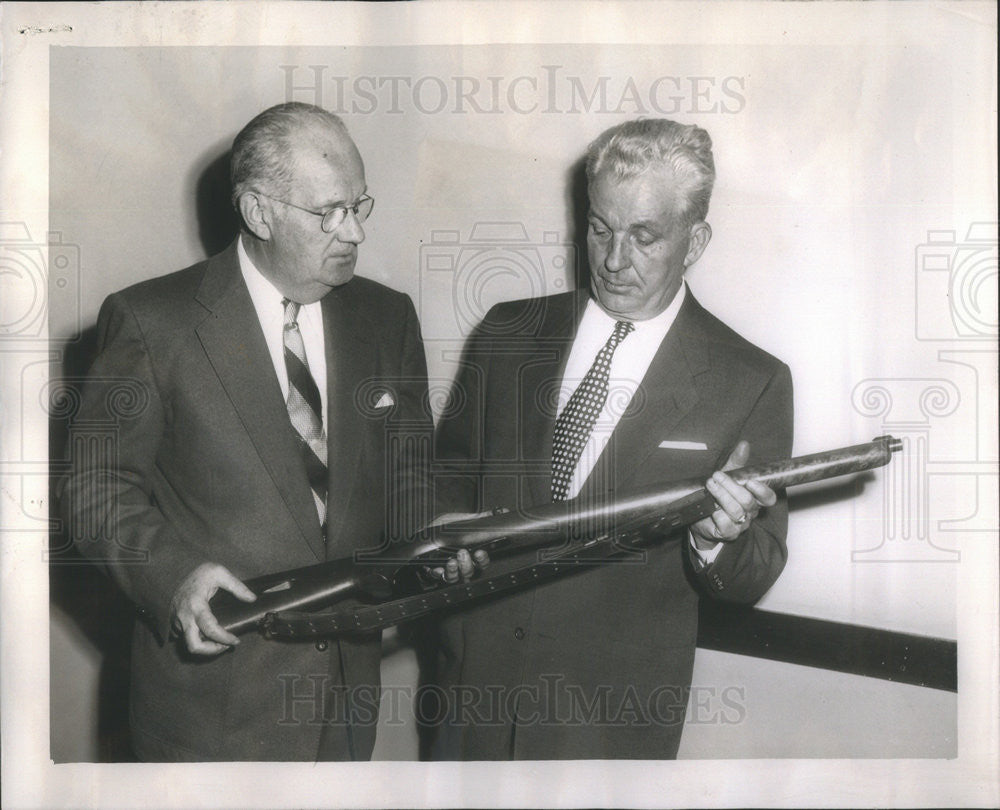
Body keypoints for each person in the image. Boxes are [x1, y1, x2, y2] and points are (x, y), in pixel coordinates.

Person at [60, 102, 437, 761]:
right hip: (212, 713)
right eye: (329, 213)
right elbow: (95, 488)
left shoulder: (387, 319)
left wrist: (443, 542)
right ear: (258, 211)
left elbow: (411, 480)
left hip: (346, 708)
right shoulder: (152, 323)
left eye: (360, 206)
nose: (354, 234)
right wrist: (173, 577)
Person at [429, 118, 794, 759]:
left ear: (696, 240)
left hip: (604, 728)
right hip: (469, 700)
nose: (613, 259)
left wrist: (715, 541)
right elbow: (446, 474)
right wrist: (442, 525)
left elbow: (755, 572)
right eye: (599, 228)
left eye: (644, 237)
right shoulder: (507, 333)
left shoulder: (751, 381)